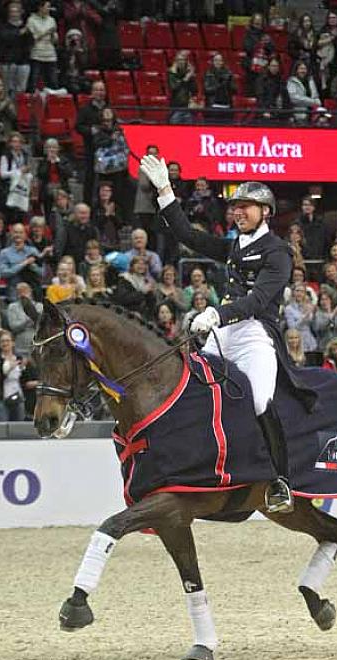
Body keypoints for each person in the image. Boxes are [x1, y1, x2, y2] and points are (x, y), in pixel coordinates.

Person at [141, 155, 297, 514]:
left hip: (255, 334)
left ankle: (280, 481)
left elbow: (258, 300)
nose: (238, 212)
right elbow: (187, 234)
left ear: (265, 212)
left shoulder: (278, 252)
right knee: (188, 391)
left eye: (246, 206)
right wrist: (165, 190)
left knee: (259, 400)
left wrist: (216, 313)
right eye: (235, 206)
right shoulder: (233, 246)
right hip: (222, 332)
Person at [0, 223, 44, 301]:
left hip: (33, 295)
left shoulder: (33, 251)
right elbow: (3, 273)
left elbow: (42, 272)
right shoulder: (4, 253)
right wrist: (23, 264)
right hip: (14, 295)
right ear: (11, 234)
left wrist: (32, 266)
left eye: (21, 232)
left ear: (25, 235)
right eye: (16, 232)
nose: (18, 235)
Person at [0, 0, 31, 97]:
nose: (14, 14)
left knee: (21, 89)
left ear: (21, 12)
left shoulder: (27, 27)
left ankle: (19, 106)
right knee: (7, 89)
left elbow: (31, 42)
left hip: (23, 62)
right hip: (7, 62)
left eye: (16, 11)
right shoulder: (3, 26)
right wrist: (19, 33)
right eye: (12, 11)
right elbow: (5, 38)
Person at [0, 330, 25, 421]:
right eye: (2, 341)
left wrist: (24, 368)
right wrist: (9, 369)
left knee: (19, 423)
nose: (5, 343)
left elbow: (24, 378)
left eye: (7, 341)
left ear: (13, 343)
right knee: (2, 424)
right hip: (1, 398)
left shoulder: (19, 358)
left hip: (18, 396)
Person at [26, 0, 59, 92]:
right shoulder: (31, 20)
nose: (49, 9)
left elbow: (55, 40)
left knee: (53, 81)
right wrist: (46, 33)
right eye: (47, 6)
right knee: (33, 81)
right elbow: (33, 38)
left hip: (50, 54)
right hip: (37, 54)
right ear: (40, 7)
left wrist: (53, 35)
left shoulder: (52, 20)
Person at [37, 138, 72, 220]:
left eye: (54, 147)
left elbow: (68, 174)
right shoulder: (43, 161)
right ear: (46, 150)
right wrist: (49, 163)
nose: (52, 150)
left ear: (58, 149)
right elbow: (41, 174)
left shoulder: (64, 160)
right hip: (47, 188)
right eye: (49, 148)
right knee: (48, 197)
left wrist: (57, 163)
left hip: (61, 187)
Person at [7, 281, 42, 358]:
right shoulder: (12, 307)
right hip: (20, 347)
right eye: (20, 292)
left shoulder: (40, 306)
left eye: (25, 291)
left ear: (30, 292)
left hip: (37, 346)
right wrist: (27, 321)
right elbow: (13, 326)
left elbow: (43, 326)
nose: (23, 294)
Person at [284, 283, 317, 353]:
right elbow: (292, 327)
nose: (299, 293)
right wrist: (304, 316)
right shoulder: (289, 308)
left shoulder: (308, 306)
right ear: (293, 292)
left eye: (302, 291)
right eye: (297, 291)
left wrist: (313, 314)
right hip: (296, 342)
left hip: (309, 341)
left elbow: (313, 326)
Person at [203, 52, 235, 123]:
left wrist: (228, 82)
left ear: (223, 62)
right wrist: (219, 85)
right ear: (213, 62)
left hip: (226, 106)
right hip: (213, 106)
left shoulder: (228, 73)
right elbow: (207, 90)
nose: (218, 62)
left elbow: (234, 90)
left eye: (220, 60)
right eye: (216, 60)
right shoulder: (208, 73)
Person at [168, 50, 198, 124]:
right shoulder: (172, 73)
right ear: (176, 61)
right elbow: (174, 87)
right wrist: (185, 79)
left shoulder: (189, 74)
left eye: (183, 60)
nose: (181, 62)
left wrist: (191, 77)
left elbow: (194, 90)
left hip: (188, 108)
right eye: (179, 60)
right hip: (176, 108)